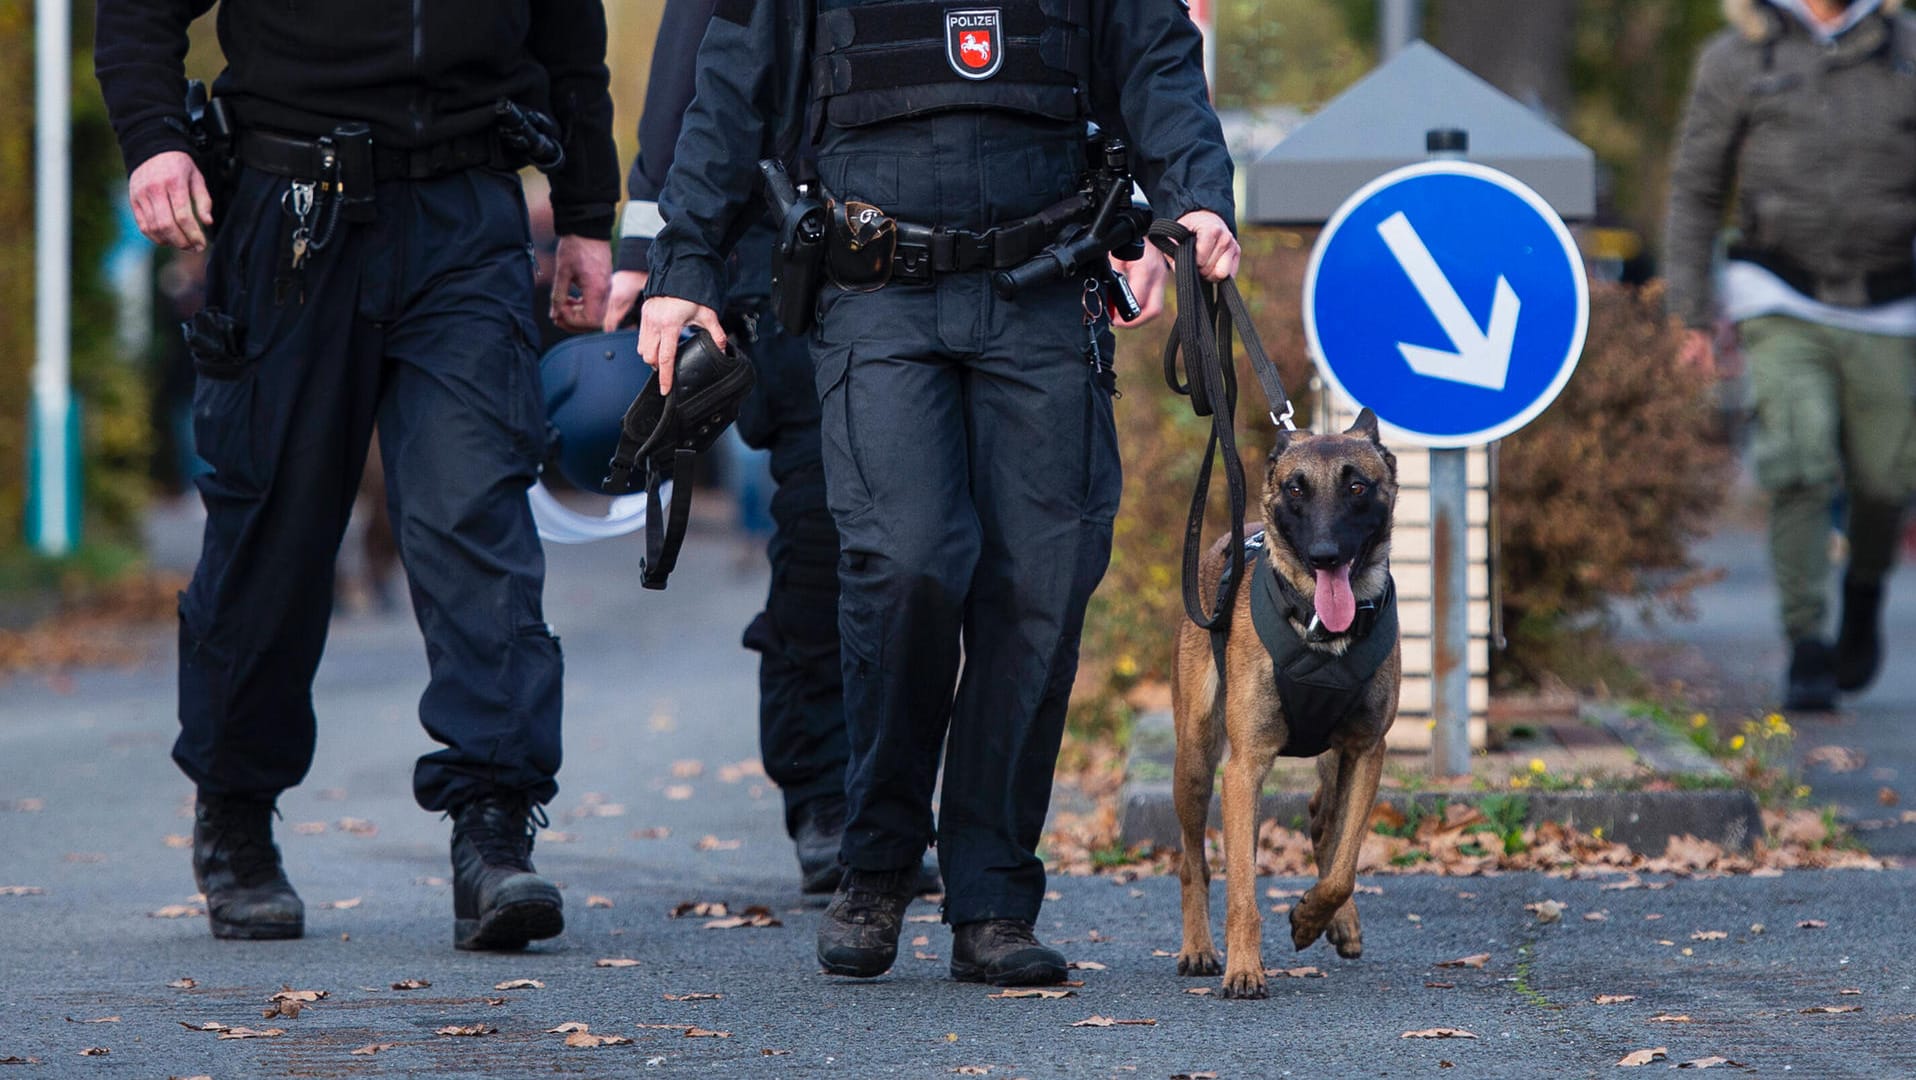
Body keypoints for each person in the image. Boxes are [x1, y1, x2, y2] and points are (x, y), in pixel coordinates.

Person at [637, 0, 1236, 985]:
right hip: (874, 293)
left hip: (1043, 286)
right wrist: (683, 266)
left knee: (1039, 586)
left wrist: (1196, 197)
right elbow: (726, 92)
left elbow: (1158, 61)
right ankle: (874, 862)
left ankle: (993, 899)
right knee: (906, 560)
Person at [95, 0, 618, 949]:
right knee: (274, 531)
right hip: (290, 206)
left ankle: (492, 830)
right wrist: (154, 141)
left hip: (466, 216)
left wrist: (586, 215)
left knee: (474, 513)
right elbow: (137, 14)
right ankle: (238, 814)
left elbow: (571, 36)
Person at [1667, 0, 1916, 711]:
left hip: (1891, 299)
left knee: (1884, 479)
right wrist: (1687, 314)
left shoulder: (1903, 50)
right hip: (1777, 290)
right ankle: (1807, 642)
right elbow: (1696, 187)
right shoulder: (1738, 55)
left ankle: (1863, 592)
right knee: (1799, 457)